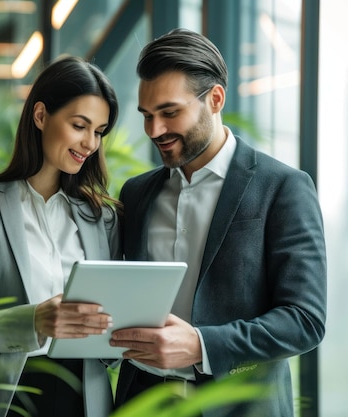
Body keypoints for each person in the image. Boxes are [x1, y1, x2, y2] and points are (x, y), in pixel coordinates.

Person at [110, 28, 327, 417]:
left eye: (169, 112)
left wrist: (201, 345)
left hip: (239, 407)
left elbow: (304, 319)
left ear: (215, 98)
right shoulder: (136, 194)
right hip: (140, 402)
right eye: (146, 116)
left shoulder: (284, 188)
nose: (154, 131)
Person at [0, 56, 121, 417]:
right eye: (79, 125)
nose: (90, 143)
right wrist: (32, 320)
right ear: (40, 116)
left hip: (83, 400)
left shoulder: (103, 217)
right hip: (5, 399)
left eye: (98, 132)